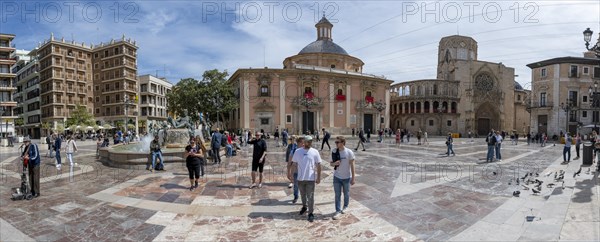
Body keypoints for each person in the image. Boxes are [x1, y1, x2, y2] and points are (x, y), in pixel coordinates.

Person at [289, 135, 322, 222]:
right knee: (303, 195)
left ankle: (311, 213)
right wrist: (292, 175)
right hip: (300, 178)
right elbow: (294, 164)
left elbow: (318, 165)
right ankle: (304, 207)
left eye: (311, 141)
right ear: (304, 142)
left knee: (310, 196)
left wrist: (318, 177)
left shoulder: (315, 152)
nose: (310, 143)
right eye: (308, 141)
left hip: (310, 178)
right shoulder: (298, 151)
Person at [330, 136, 355, 220]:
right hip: (337, 177)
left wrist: (353, 178)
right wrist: (334, 164)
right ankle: (337, 210)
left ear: (343, 143)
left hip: (346, 177)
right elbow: (331, 164)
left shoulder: (349, 152)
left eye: (338, 142)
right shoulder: (334, 151)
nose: (336, 144)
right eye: (335, 142)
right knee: (337, 194)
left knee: (346, 193)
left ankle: (346, 206)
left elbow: (352, 165)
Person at [286, 135, 301, 203]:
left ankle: (304, 198)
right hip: (296, 170)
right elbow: (289, 161)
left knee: (304, 186)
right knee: (296, 185)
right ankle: (296, 196)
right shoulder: (293, 150)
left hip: (304, 171)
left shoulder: (306, 149)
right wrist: (288, 172)